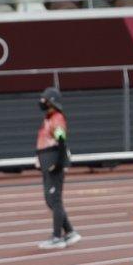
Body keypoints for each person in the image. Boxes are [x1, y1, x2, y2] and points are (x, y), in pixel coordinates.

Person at [37, 87, 79, 248]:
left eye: (45, 100)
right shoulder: (48, 119)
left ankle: (57, 237)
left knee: (54, 200)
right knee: (51, 200)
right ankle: (70, 232)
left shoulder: (57, 118)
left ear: (52, 102)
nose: (41, 102)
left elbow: (61, 141)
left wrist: (59, 163)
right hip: (47, 163)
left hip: (55, 163)